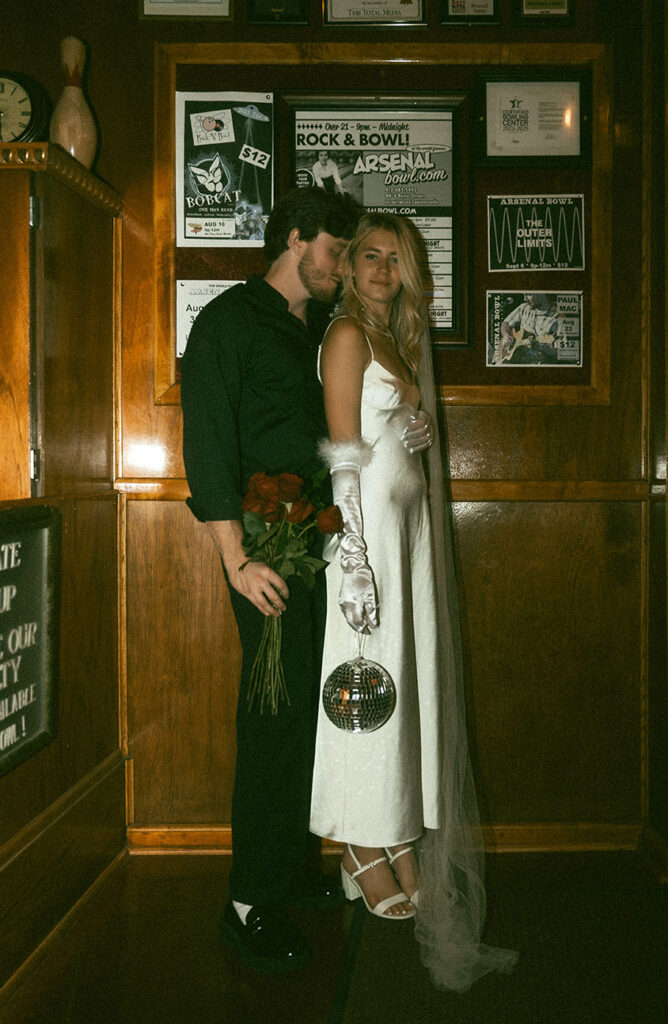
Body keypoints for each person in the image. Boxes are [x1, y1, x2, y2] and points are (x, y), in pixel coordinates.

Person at [309, 212, 519, 989]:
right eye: (369, 258)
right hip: (368, 546)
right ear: (350, 265)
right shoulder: (345, 337)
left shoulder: (396, 338)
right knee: (367, 691)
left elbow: (390, 432)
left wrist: (417, 428)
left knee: (406, 689)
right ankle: (359, 848)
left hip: (408, 538)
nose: (381, 272)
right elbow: (341, 453)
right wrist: (356, 559)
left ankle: (394, 830)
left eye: (395, 261)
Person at [180, 186, 360, 974]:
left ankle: (287, 868)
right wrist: (237, 560)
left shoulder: (316, 327)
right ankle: (247, 901)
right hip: (263, 555)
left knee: (304, 718)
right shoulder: (226, 321)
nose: (343, 268)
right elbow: (209, 446)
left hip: (316, 546)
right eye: (336, 252)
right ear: (295, 239)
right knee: (273, 719)